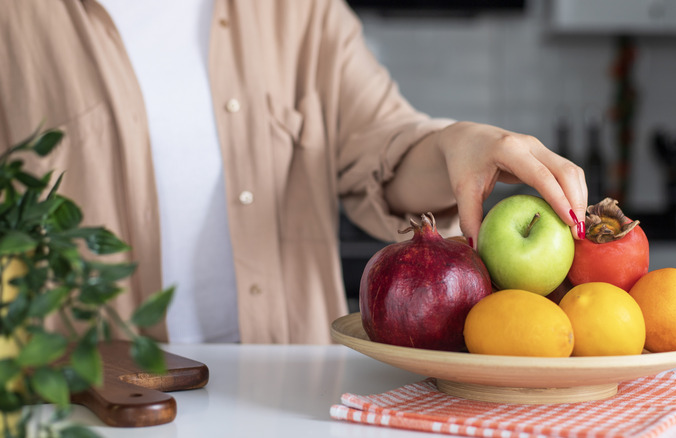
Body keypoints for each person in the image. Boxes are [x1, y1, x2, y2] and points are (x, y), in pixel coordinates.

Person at [0, 0, 587, 344]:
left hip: (284, 399)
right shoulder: (19, 21)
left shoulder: (303, 12)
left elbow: (381, 150)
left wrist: (459, 143)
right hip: (78, 403)